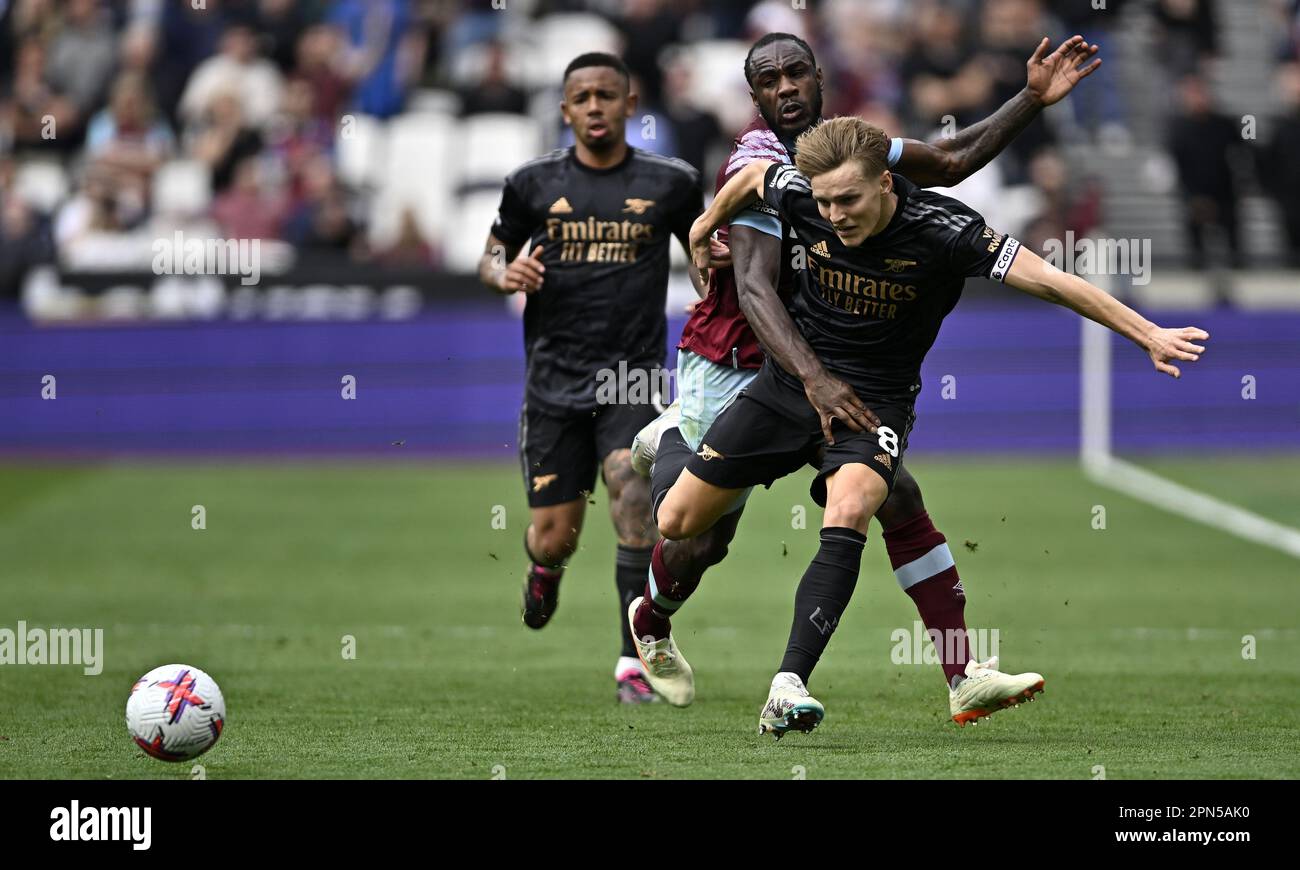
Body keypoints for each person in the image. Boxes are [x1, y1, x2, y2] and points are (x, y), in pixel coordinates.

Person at [666, 116, 1207, 736]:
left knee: (853, 505)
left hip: (874, 401)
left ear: (887, 183)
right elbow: (757, 178)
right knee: (676, 522)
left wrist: (1149, 334)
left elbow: (1053, 282)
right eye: (824, 202)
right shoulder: (803, 193)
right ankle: (666, 439)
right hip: (792, 383)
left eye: (849, 199)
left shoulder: (947, 231)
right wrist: (706, 222)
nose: (835, 214)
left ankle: (789, 685)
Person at [626, 32, 1101, 710]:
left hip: (829, 366)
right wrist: (813, 377)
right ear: (755, 96)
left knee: (890, 494)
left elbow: (951, 158)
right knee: (695, 538)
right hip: (738, 360)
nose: (786, 88)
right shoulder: (758, 158)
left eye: (797, 74)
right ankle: (654, 608)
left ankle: (962, 676)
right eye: (771, 80)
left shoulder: (848, 148)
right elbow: (757, 293)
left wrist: (1029, 98)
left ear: (819, 79)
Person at [477, 52, 717, 704]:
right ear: (565, 110)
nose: (594, 107)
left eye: (606, 95)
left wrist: (714, 289)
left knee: (635, 504)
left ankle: (631, 662)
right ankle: (544, 569)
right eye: (581, 97)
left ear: (628, 105)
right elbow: (494, 253)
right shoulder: (530, 183)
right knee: (556, 535)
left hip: (632, 377)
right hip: (553, 380)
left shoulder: (670, 183)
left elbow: (699, 254)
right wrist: (505, 273)